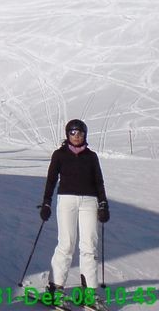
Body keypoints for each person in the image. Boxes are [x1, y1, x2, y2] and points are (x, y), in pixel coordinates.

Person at [39, 119, 109, 310]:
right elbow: (51, 180)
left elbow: (99, 181)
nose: (76, 136)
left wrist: (103, 204)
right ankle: (55, 289)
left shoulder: (91, 156)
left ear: (85, 135)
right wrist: (46, 202)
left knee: (89, 246)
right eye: (73, 132)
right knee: (66, 243)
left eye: (80, 133)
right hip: (67, 200)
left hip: (89, 201)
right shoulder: (59, 155)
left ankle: (89, 293)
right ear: (67, 134)